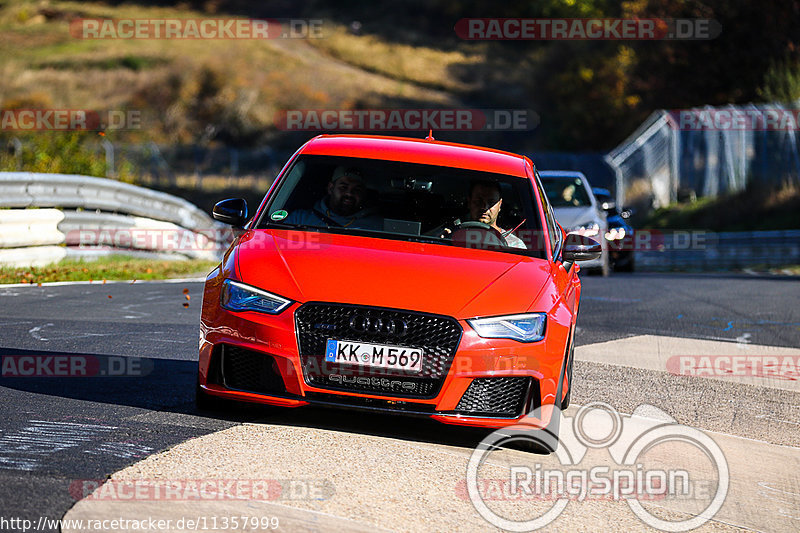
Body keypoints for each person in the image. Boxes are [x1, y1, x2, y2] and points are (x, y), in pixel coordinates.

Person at [282, 166, 382, 230]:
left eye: (357, 190)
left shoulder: (377, 226)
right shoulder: (299, 219)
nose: (349, 194)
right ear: (330, 188)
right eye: (343, 187)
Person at [435, 180, 526, 249]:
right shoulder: (449, 235)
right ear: (469, 202)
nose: (484, 207)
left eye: (491, 203)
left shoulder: (514, 245)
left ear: (500, 205)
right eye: (478, 201)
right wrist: (441, 242)